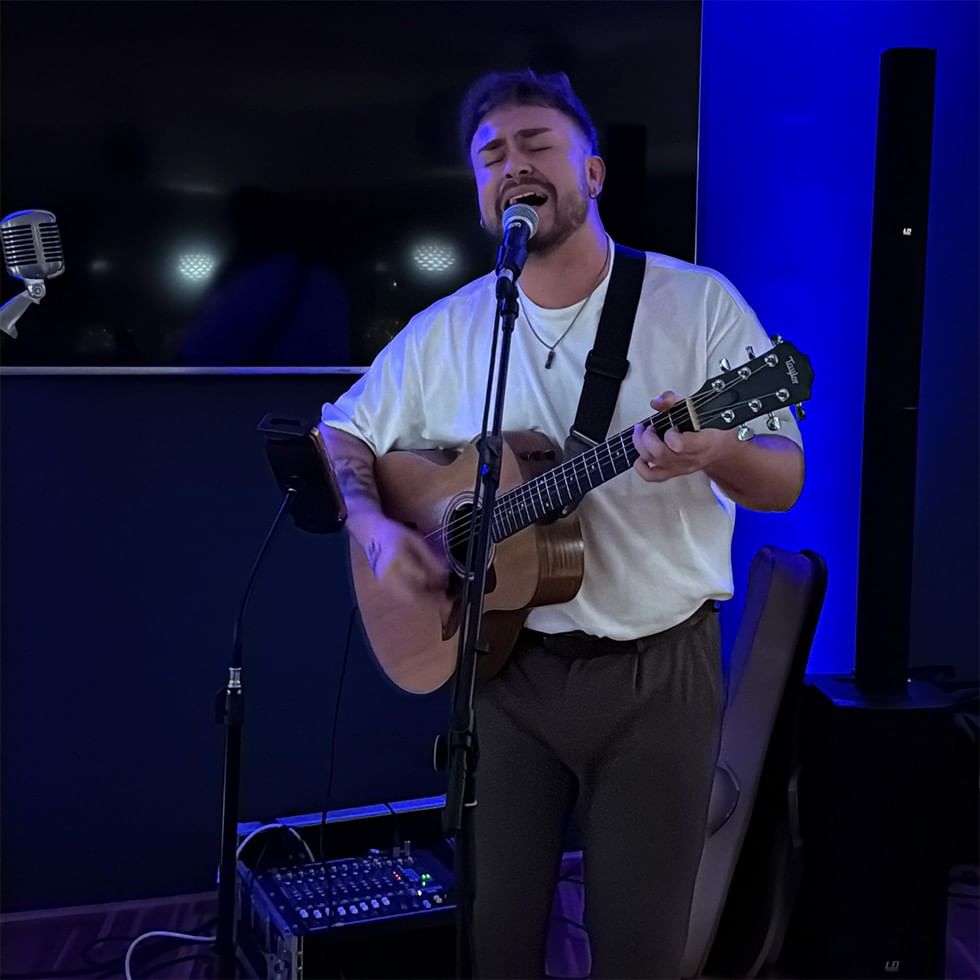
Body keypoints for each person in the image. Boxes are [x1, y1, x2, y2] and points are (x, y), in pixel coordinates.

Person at [318, 70, 804, 979]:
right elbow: (340, 427)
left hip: (655, 676)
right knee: (492, 946)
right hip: (498, 675)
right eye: (491, 155)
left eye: (537, 144)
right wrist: (373, 527)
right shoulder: (452, 327)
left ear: (594, 171)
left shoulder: (698, 307)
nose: (514, 165)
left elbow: (784, 476)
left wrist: (715, 453)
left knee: (640, 956)